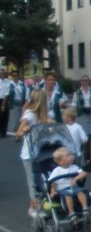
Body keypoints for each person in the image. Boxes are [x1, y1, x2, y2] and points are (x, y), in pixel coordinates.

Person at [16, 89, 52, 218]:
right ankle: (33, 208)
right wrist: (24, 130)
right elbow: (18, 132)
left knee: (41, 180)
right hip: (29, 154)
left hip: (39, 152)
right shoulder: (30, 114)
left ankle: (40, 204)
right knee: (32, 181)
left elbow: (51, 123)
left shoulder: (42, 115)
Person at [48, 146, 90, 226]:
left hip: (74, 188)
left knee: (80, 191)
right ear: (61, 162)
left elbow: (84, 173)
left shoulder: (74, 168)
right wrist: (53, 191)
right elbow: (52, 182)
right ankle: (71, 212)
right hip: (62, 190)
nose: (71, 156)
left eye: (70, 155)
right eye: (67, 156)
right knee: (68, 195)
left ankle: (85, 209)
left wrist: (76, 179)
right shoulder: (57, 171)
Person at [6, 69, 28, 135]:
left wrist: (26, 103)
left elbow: (26, 94)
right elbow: (6, 95)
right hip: (14, 103)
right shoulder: (10, 84)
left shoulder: (22, 84)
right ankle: (16, 131)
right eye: (14, 75)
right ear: (12, 76)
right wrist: (4, 104)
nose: (15, 76)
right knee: (14, 119)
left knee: (21, 118)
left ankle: (19, 131)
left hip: (22, 103)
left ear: (18, 76)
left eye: (17, 75)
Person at [0, 67, 10, 137]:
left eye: (3, 73)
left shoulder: (8, 81)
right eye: (1, 73)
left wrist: (3, 105)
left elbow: (7, 93)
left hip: (5, 100)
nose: (2, 74)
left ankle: (4, 132)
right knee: (0, 117)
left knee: (5, 116)